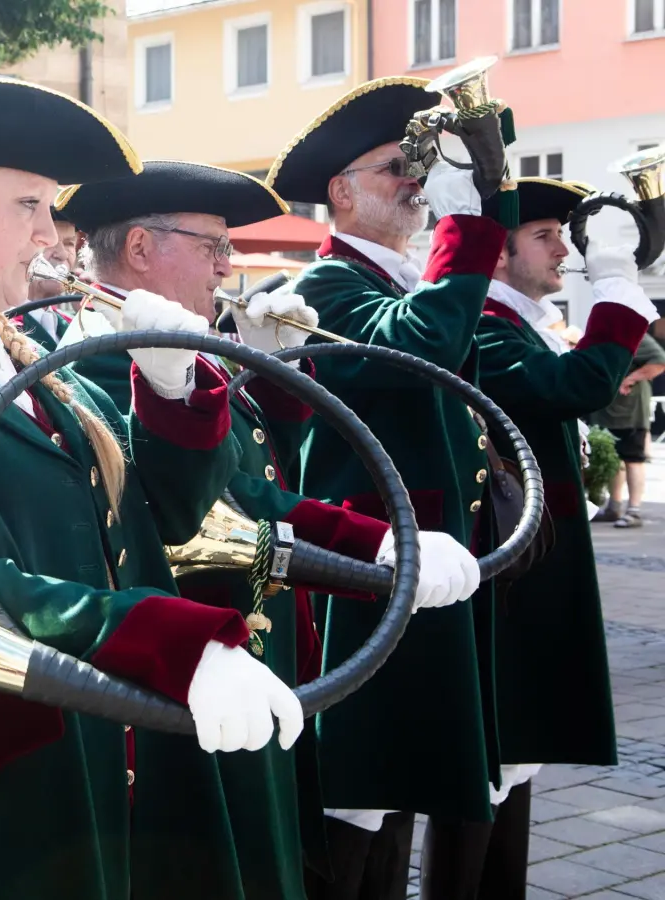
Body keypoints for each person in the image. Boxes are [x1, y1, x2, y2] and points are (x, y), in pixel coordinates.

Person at [0, 73, 304, 900]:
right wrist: (175, 642)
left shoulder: (40, 370)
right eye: (29, 206)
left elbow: (166, 517)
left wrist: (173, 389)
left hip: (91, 748)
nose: (52, 235)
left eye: (49, 209)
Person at [57, 161, 478, 900]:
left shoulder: (179, 344)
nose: (227, 266)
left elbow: (261, 465)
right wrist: (374, 541)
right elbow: (223, 498)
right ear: (141, 249)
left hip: (251, 637)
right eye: (212, 245)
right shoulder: (96, 359)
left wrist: (274, 378)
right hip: (187, 664)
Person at [267, 76, 517, 899]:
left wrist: (486, 184)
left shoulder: (398, 279)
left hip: (423, 554)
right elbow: (420, 349)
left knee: (403, 780)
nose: (415, 182)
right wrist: (466, 229)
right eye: (395, 168)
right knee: (361, 788)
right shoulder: (321, 287)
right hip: (369, 568)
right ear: (341, 193)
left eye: (419, 166)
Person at [469, 177, 660, 894]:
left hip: (536, 556)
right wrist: (614, 285)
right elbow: (575, 387)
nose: (562, 251)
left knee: (519, 759)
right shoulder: (485, 321)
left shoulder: (518, 321)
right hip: (511, 567)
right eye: (544, 236)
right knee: (497, 758)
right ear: (498, 254)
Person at [591, 332, 665, 527]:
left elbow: (660, 361)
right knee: (614, 459)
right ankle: (614, 507)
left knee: (633, 459)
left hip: (631, 411)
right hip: (607, 410)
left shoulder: (636, 333)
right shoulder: (604, 333)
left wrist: (629, 379)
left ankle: (634, 510)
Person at [13, 205, 82, 351]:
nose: (63, 254)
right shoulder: (0, 325)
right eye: (49, 243)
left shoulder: (74, 326)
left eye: (69, 243)